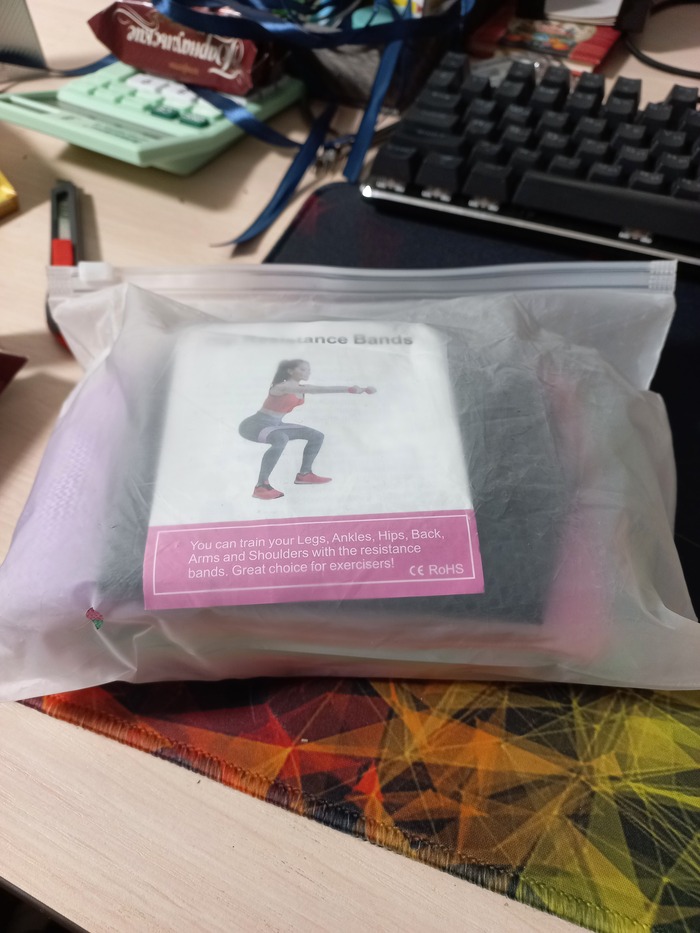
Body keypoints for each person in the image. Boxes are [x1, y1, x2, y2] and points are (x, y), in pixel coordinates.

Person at [239, 359, 376, 500]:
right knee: (281, 438)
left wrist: (355, 390)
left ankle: (304, 474)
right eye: (303, 369)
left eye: (309, 370)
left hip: (275, 425)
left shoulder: (299, 388)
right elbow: (316, 390)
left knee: (316, 436)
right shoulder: (282, 386)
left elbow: (310, 389)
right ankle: (261, 486)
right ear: (290, 371)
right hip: (254, 425)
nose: (308, 372)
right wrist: (349, 389)